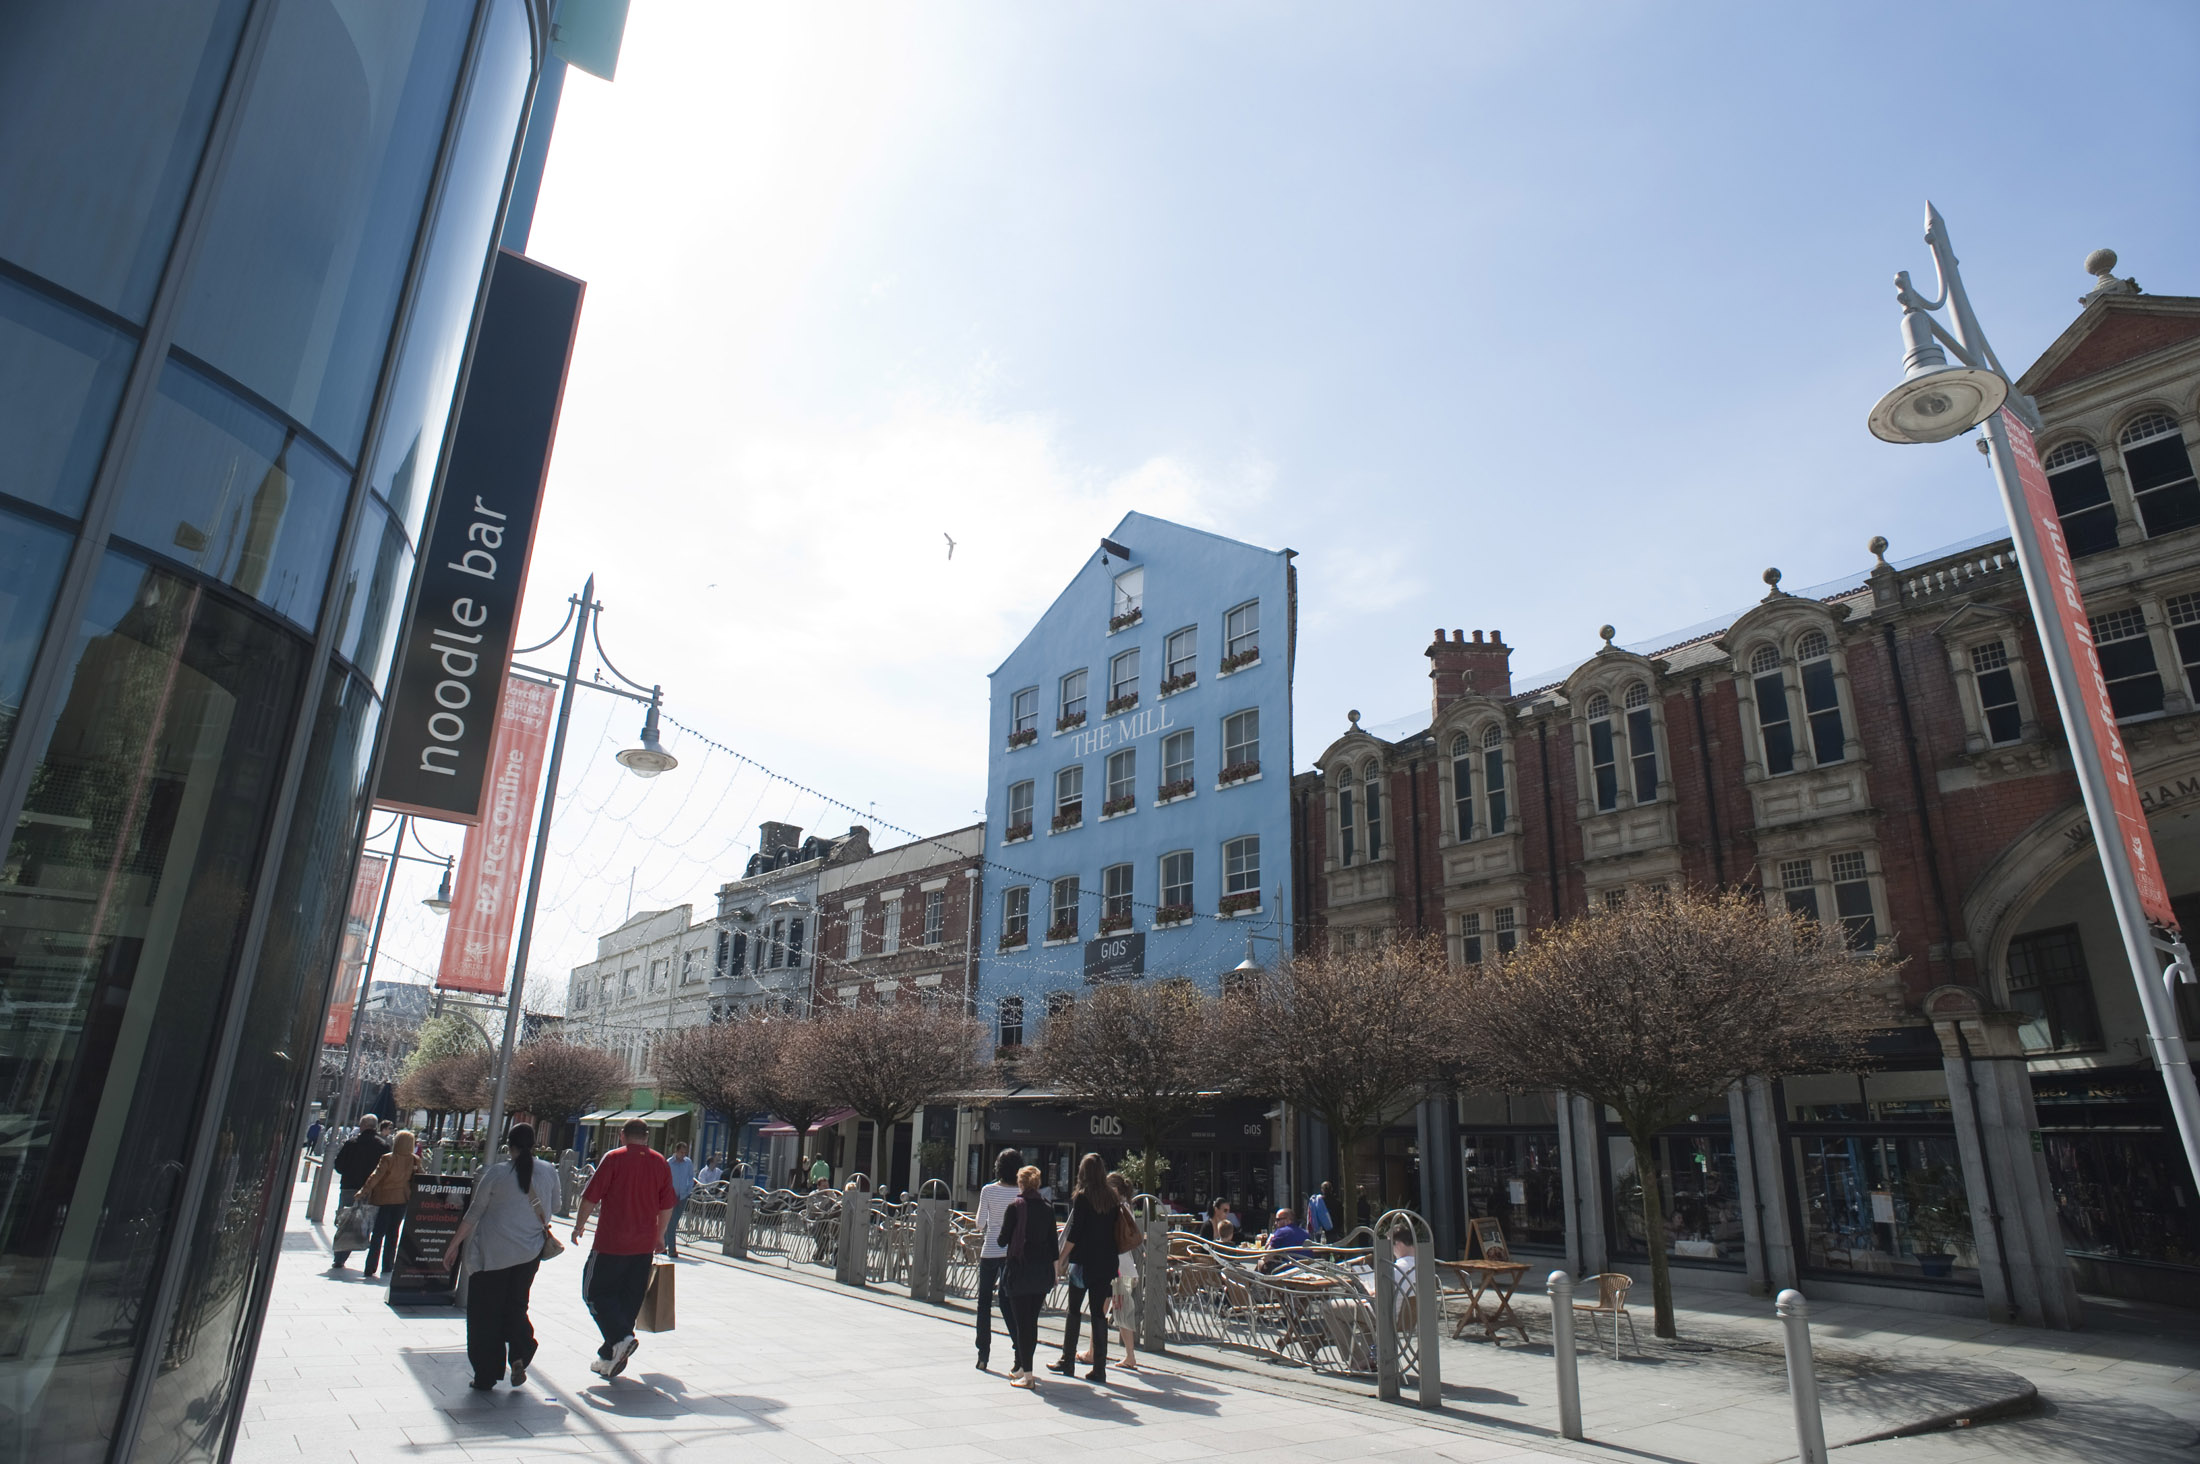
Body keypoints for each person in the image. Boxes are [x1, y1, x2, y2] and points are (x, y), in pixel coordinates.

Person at [448, 1124, 560, 1390]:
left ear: (509, 1144)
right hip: (529, 1251)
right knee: (516, 1305)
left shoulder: (497, 1173)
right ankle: (521, 1350)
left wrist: (454, 1245)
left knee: (485, 1313)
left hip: (492, 1254)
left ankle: (486, 1374)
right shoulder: (549, 1170)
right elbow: (555, 1207)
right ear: (534, 1144)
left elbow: (474, 1212)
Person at [572, 1118, 677, 1377]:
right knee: (628, 1301)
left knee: (593, 1293)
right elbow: (667, 1204)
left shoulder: (613, 1158)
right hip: (643, 1246)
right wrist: (660, 1236)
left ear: (622, 1135)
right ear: (646, 1137)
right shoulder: (659, 1162)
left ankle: (620, 1340)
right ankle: (610, 1355)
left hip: (611, 1242)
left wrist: (579, 1226)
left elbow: (590, 1196)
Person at [1050, 1152, 1119, 1384]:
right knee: (1099, 1314)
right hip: (1106, 1263)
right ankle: (1100, 1368)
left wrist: (1061, 1257)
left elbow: (1075, 1232)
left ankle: (1067, 1360)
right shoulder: (1112, 1198)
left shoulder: (1082, 1197)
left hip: (1083, 1264)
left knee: (1074, 1310)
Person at [994, 1164, 1057, 1388]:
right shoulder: (1048, 1209)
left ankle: (1027, 1375)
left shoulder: (1015, 1207)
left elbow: (1002, 1240)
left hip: (1019, 1271)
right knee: (1031, 1321)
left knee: (1022, 1324)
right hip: (1041, 1273)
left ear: (1021, 1184)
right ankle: (1023, 1368)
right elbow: (1053, 1246)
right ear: (1038, 1184)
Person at [1080, 1172, 1140, 1370]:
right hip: (1125, 1266)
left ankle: (1094, 1352)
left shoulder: (1115, 1209)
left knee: (1102, 1310)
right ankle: (1127, 1355)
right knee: (1118, 1311)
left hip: (1115, 1267)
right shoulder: (1127, 1208)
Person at [971, 1147, 1022, 1371]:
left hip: (990, 1250)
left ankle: (983, 1354)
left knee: (984, 1303)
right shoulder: (1022, 1192)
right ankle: (1018, 1350)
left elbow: (980, 1223)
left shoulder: (988, 1190)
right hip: (1012, 1253)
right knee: (1009, 1303)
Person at [358, 1130, 420, 1279]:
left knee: (378, 1233)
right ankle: (388, 1265)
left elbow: (376, 1176)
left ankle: (370, 1266)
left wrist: (363, 1191)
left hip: (383, 1199)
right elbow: (420, 1178)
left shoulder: (388, 1158)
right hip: (402, 1199)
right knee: (393, 1233)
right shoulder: (414, 1160)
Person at [329, 1114, 387, 1268]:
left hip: (349, 1186)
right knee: (362, 1221)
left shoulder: (351, 1143)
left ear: (362, 1126)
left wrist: (349, 1171)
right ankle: (350, 1249)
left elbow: (339, 1165)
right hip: (370, 1190)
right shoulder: (383, 1146)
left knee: (345, 1219)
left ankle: (340, 1256)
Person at [663, 1142, 695, 1259]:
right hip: (670, 1196)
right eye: (681, 1152)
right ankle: (672, 1249)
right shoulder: (668, 1163)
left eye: (684, 1152)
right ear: (676, 1151)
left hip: (682, 1196)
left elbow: (691, 1177)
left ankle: (663, 1245)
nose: (683, 1155)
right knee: (671, 1222)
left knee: (673, 1222)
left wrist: (688, 1190)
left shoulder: (688, 1163)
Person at [1260, 1207, 1310, 1273]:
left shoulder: (1281, 1232)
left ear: (1288, 1220)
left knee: (1260, 1262)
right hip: (1307, 1269)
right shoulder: (1305, 1233)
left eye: (1278, 1220)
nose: (1275, 1223)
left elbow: (1266, 1257)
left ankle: (1258, 1282)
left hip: (1289, 1271)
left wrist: (1269, 1241)